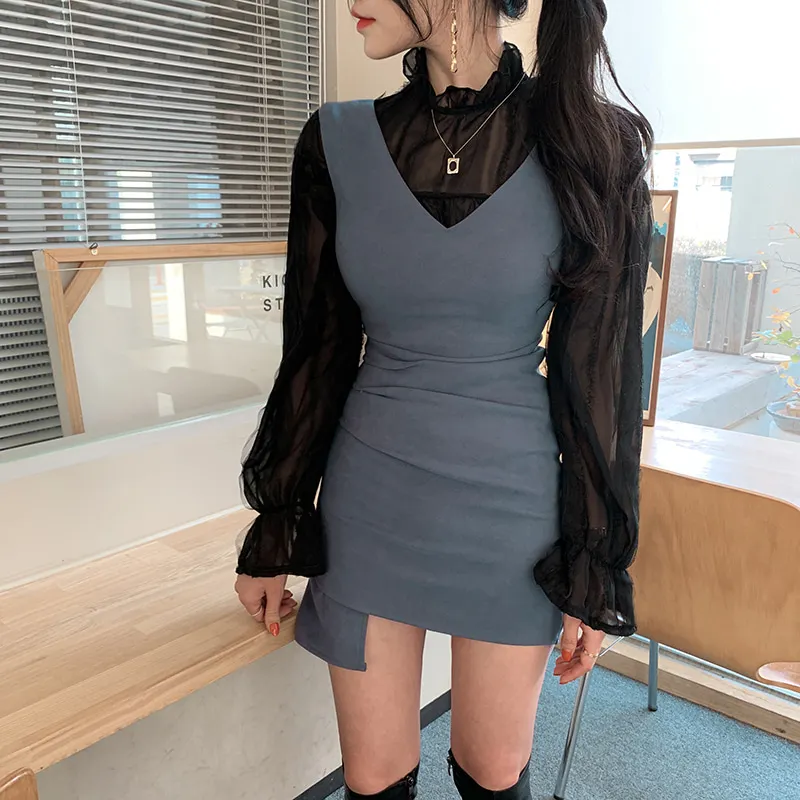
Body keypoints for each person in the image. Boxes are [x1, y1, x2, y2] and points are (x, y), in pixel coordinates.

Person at [235, 0, 653, 796]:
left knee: (493, 771)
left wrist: (593, 563)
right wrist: (278, 521)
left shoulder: (593, 144)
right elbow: (317, 346)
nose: (349, 3)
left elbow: (599, 374)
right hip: (369, 497)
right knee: (375, 777)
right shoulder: (335, 141)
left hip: (512, 508)